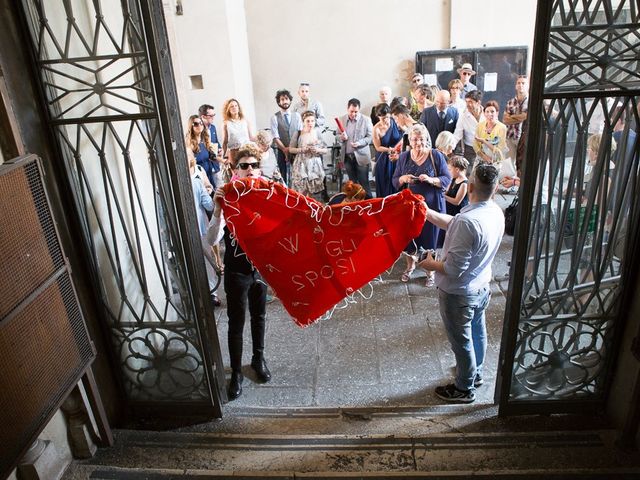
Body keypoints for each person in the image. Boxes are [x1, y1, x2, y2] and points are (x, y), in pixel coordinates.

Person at [419, 163, 504, 403]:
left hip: (459, 294)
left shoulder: (468, 222)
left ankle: (464, 388)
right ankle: (475, 374)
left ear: (471, 186)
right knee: (477, 332)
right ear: (495, 188)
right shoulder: (494, 211)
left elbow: (453, 269)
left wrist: (429, 265)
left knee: (462, 342)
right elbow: (456, 223)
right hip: (481, 287)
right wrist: (428, 213)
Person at [207, 144, 272, 400]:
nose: (250, 170)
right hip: (237, 269)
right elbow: (211, 239)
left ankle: (258, 359)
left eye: (254, 165)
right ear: (236, 170)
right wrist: (217, 207)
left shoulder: (269, 193)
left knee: (259, 316)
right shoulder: (228, 196)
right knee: (236, 322)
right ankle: (235, 373)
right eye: (244, 166)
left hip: (261, 268)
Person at [392, 124, 451, 287]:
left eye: (421, 139)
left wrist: (431, 180)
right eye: (414, 139)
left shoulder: (435, 156)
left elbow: (447, 178)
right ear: (409, 140)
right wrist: (404, 179)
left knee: (429, 238)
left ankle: (430, 271)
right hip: (410, 206)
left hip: (431, 205)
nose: (418, 143)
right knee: (410, 237)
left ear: (427, 140)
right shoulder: (404, 157)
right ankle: (410, 267)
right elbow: (395, 180)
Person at [289, 111, 327, 200]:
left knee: (312, 192)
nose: (310, 123)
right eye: (308, 121)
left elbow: (325, 150)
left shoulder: (317, 133)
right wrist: (301, 150)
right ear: (303, 122)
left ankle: (310, 210)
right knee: (301, 191)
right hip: (301, 164)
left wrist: (318, 150)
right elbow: (291, 149)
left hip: (314, 165)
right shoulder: (298, 133)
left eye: (312, 121)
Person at [339, 98, 374, 195]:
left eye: (356, 112)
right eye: (351, 111)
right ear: (347, 108)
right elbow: (337, 136)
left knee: (364, 183)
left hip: (361, 156)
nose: (353, 114)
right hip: (347, 157)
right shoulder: (342, 119)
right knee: (352, 184)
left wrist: (360, 143)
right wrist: (341, 137)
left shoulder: (366, 120)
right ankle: (355, 206)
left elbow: (370, 137)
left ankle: (369, 204)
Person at [270, 89, 301, 184]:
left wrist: (292, 148)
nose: (285, 101)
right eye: (282, 99)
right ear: (279, 102)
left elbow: (300, 133)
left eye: (286, 99)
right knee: (283, 176)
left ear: (290, 100)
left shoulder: (297, 115)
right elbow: (275, 137)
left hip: (296, 150)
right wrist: (285, 150)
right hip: (281, 151)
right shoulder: (274, 117)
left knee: (299, 175)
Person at [373, 103, 403, 197]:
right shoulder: (376, 129)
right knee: (384, 183)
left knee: (397, 182)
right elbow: (378, 147)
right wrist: (389, 149)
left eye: (387, 117)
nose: (385, 120)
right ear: (378, 116)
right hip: (383, 158)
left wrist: (398, 147)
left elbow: (406, 133)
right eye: (382, 118)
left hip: (397, 156)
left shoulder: (395, 122)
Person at [453, 90, 484, 174]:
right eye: (466, 101)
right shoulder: (463, 116)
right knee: (469, 174)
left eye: (470, 102)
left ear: (478, 102)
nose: (467, 104)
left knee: (483, 174)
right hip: (470, 149)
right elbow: (457, 135)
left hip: (486, 149)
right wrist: (449, 147)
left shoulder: (487, 113)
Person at [503, 75, 529, 174]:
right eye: (518, 83)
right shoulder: (510, 102)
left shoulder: (531, 102)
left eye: (523, 83)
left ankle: (520, 184)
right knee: (509, 163)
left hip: (523, 138)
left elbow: (527, 117)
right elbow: (505, 120)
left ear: (527, 86)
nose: (520, 85)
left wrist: (512, 117)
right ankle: (510, 185)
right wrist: (521, 116)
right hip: (510, 136)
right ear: (515, 86)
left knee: (522, 163)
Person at [185, 114, 220, 188]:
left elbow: (211, 156)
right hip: (199, 177)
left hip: (209, 174)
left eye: (201, 123)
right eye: (196, 124)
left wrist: (224, 160)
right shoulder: (189, 144)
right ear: (191, 126)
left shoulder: (205, 140)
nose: (199, 125)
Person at [222, 98, 255, 169]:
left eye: (236, 105)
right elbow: (225, 142)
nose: (234, 108)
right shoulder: (226, 123)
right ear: (228, 109)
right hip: (234, 152)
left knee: (247, 172)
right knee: (236, 175)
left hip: (246, 151)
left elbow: (251, 137)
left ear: (239, 108)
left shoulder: (245, 121)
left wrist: (261, 139)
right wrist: (223, 157)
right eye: (231, 106)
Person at [474, 100, 507, 167]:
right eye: (487, 112)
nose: (490, 114)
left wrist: (484, 141)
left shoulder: (502, 127)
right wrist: (484, 157)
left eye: (492, 111)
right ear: (484, 113)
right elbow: (475, 144)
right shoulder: (480, 125)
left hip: (496, 160)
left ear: (497, 113)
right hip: (481, 158)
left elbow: (499, 150)